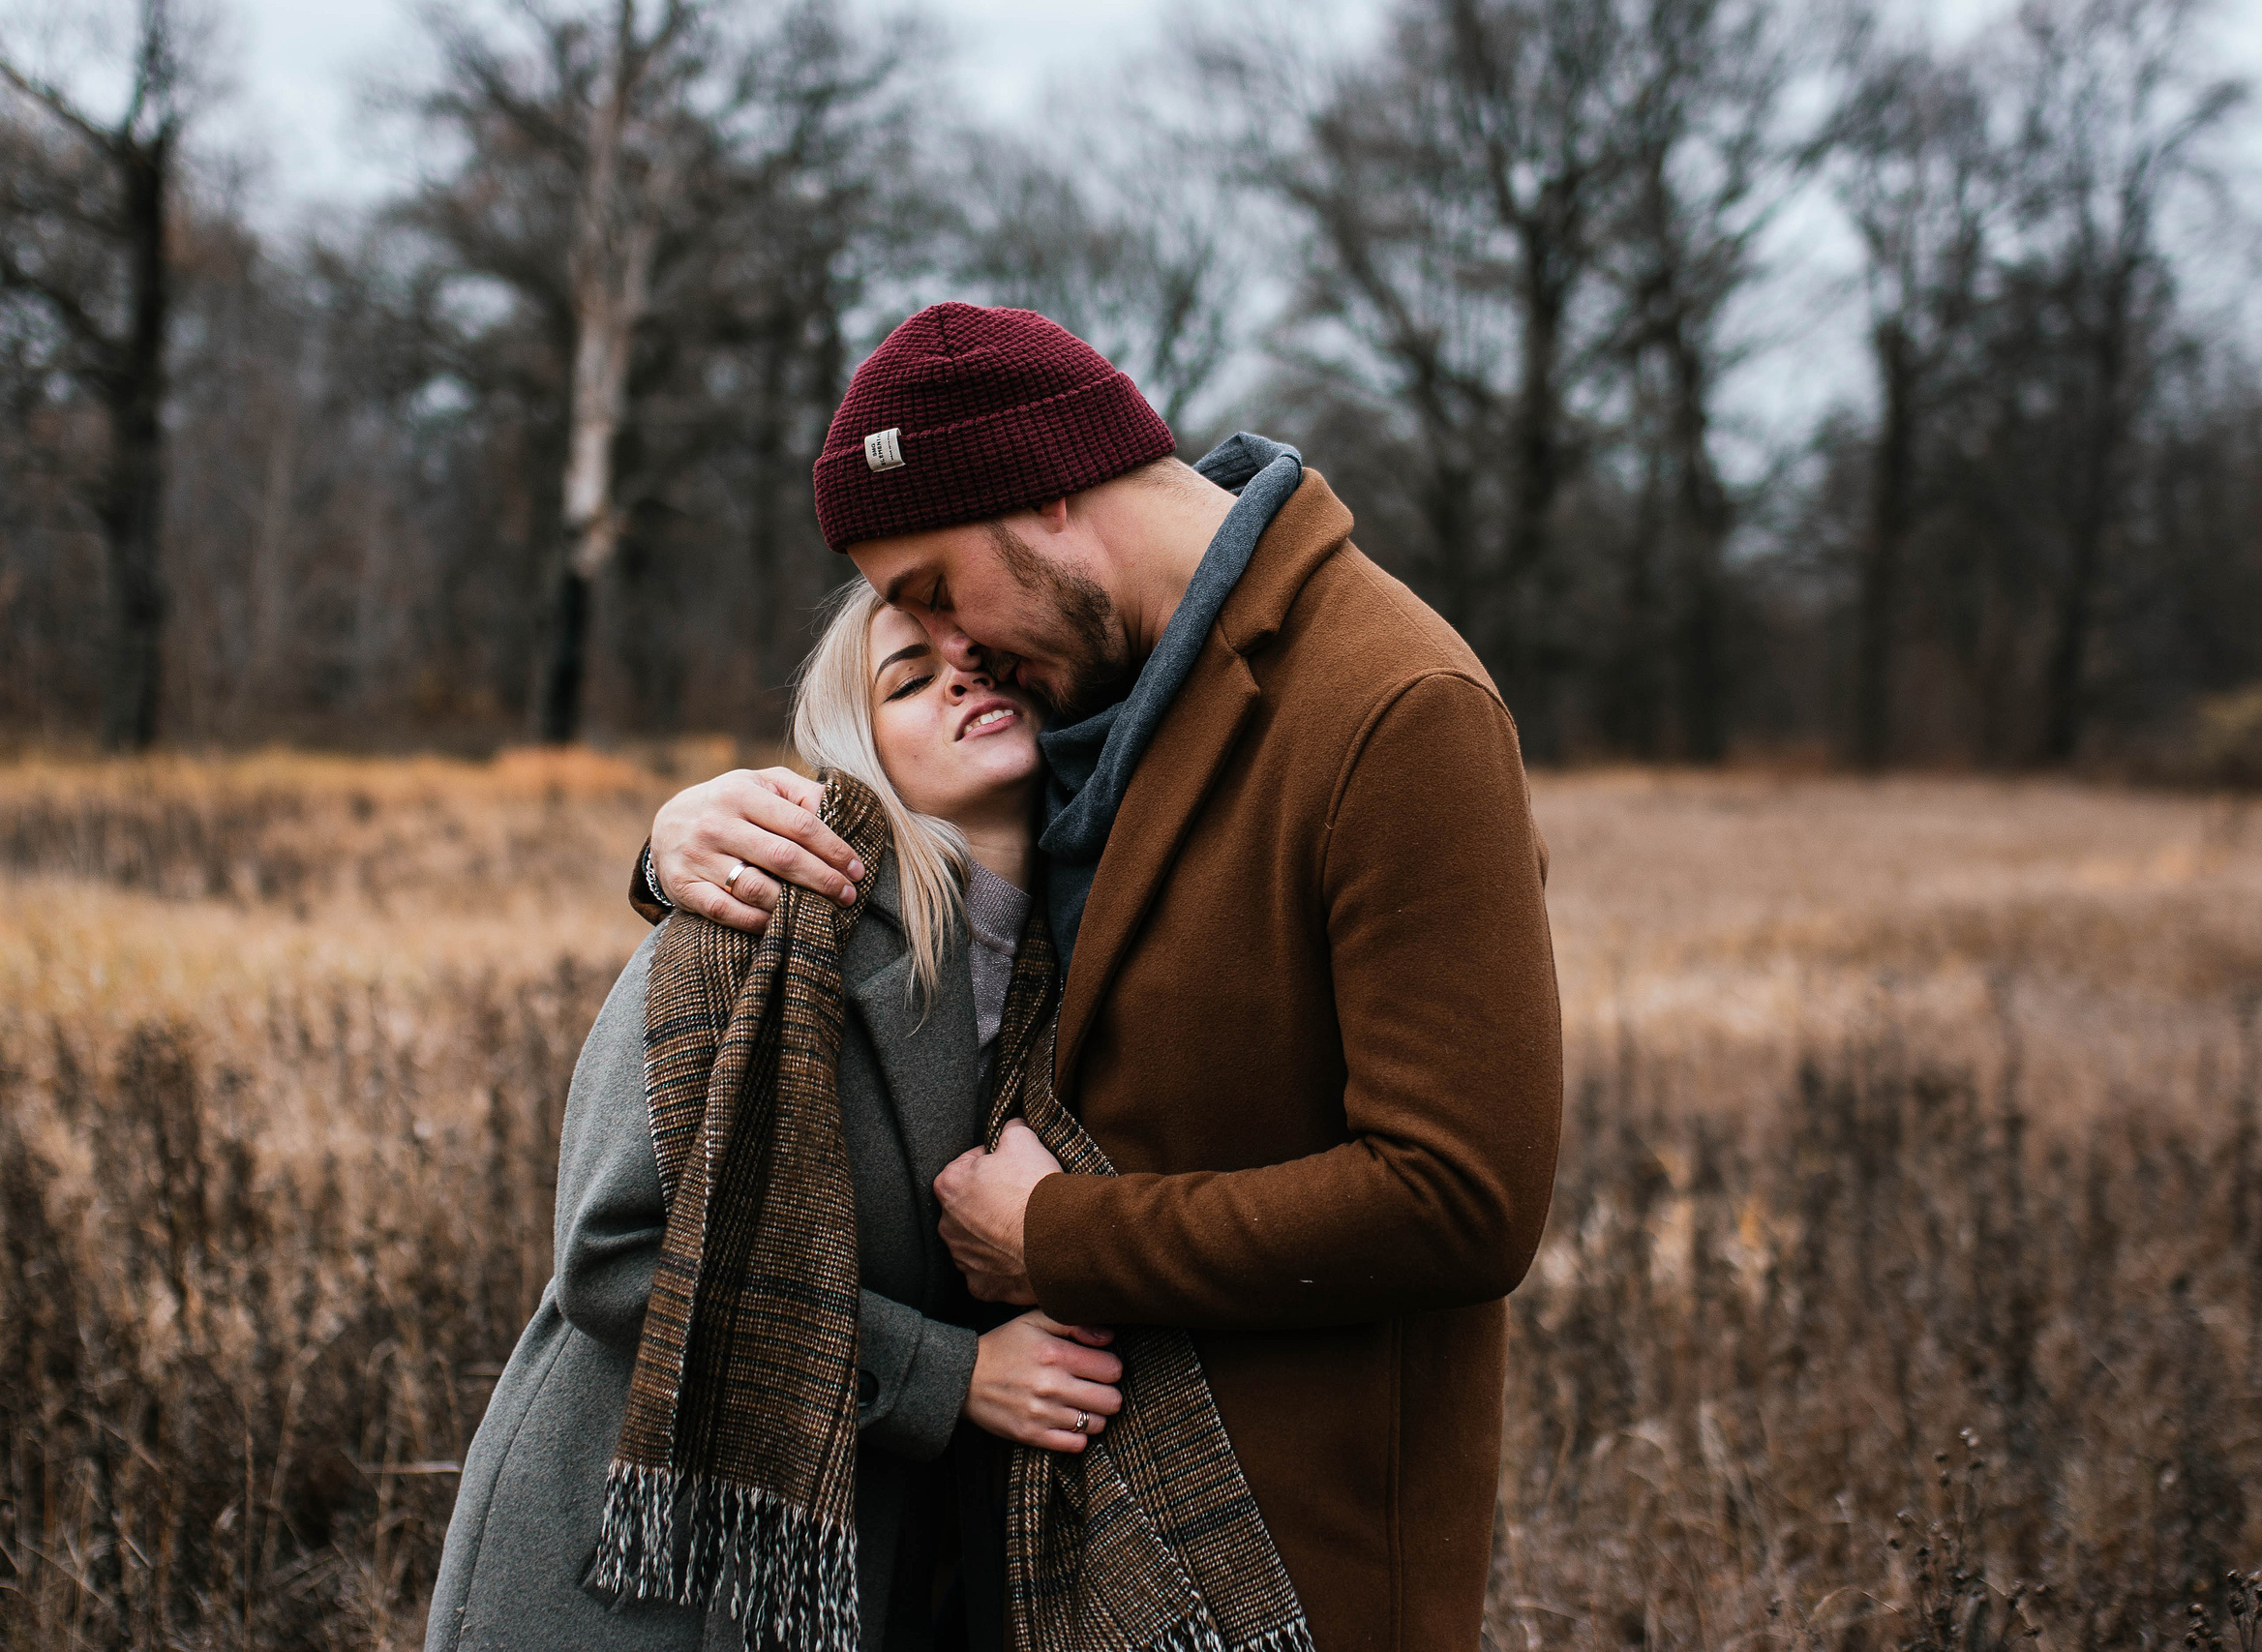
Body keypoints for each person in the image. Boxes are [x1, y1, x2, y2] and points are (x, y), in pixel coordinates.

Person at [638, 302, 1564, 1652]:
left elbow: (1463, 1197)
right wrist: (685, 849)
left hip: (1278, 1563)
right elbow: (925, 863)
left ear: (1051, 495)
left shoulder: (1398, 707)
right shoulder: (1094, 685)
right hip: (1024, 1552)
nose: (954, 653)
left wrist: (1058, 1236)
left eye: (938, 592)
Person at [427, 580, 1126, 1652]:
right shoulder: (755, 916)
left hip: (857, 1574)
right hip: (630, 1568)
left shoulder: (1087, 963)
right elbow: (614, 1255)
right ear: (862, 756)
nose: (963, 672)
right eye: (908, 676)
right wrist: (953, 1377)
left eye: (983, 650)